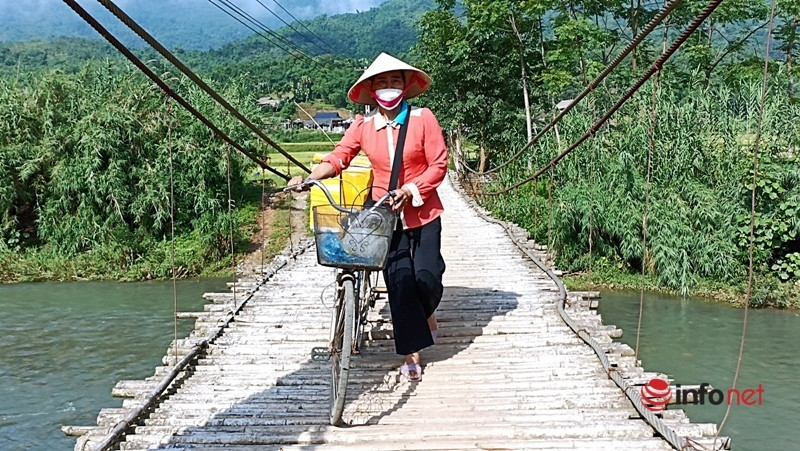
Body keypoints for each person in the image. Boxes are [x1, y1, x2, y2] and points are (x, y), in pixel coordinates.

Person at [288, 53, 447, 381]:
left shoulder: (423, 119)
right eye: (382, 82)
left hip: (423, 209)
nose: (389, 87)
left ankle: (426, 311)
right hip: (381, 214)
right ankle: (411, 352)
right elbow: (339, 157)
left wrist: (411, 189)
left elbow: (438, 163)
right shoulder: (363, 126)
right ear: (372, 90)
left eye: (395, 81)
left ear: (405, 86)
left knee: (428, 278)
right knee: (399, 281)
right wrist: (310, 179)